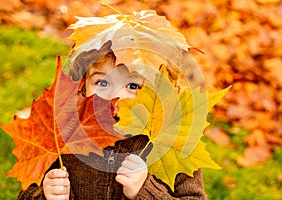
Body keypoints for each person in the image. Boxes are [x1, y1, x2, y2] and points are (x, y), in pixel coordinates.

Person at [17, 40, 207, 200]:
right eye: (103, 83)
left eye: (133, 85)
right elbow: (26, 192)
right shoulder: (63, 136)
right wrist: (45, 194)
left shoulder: (172, 143)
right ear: (82, 85)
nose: (114, 96)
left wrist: (145, 189)